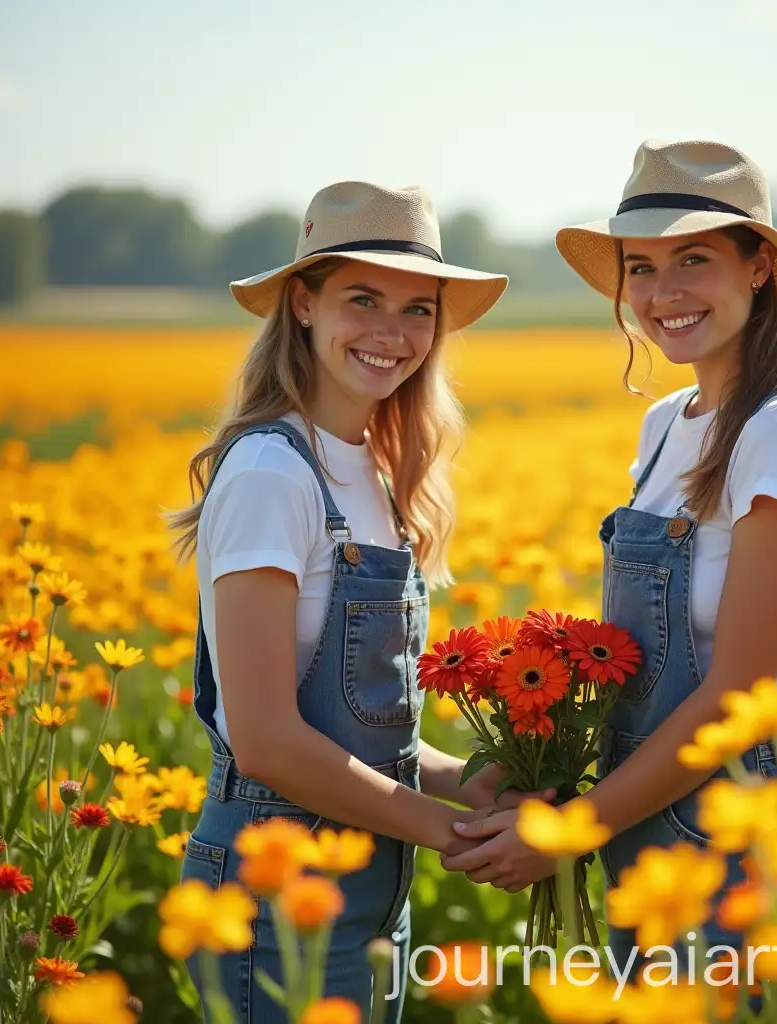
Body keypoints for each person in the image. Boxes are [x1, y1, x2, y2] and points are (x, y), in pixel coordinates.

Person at [444, 140, 777, 979]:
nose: (662, 294)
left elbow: (737, 695)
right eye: (641, 266)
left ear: (760, 269)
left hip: (745, 842)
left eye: (693, 260)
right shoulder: (667, 423)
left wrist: (570, 829)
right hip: (646, 822)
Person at [170, 180, 544, 1022]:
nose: (392, 332)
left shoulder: (376, 472)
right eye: (362, 299)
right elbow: (265, 740)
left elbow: (353, 732)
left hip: (370, 884)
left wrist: (471, 782)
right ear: (302, 305)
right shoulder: (273, 472)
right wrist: (455, 835)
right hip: (277, 884)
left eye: (418, 308)